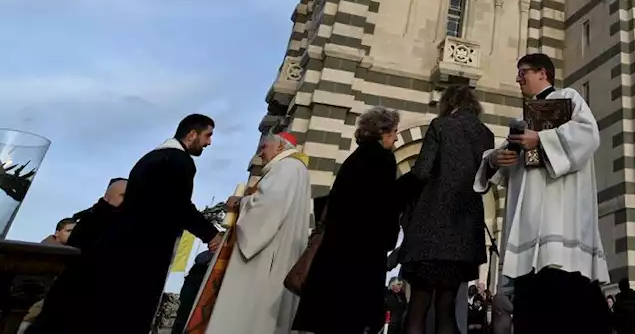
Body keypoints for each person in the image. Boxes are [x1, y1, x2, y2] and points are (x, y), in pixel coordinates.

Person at [474, 53, 610, 334]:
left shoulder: (568, 98)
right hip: (528, 232)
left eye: (522, 72)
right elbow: (505, 164)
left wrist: (542, 139)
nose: (517, 79)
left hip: (560, 227)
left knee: (562, 308)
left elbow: (588, 134)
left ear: (543, 73)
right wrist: (493, 160)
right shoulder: (521, 121)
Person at [87, 114, 221, 333]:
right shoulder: (179, 161)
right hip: (146, 252)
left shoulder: (150, 158)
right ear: (192, 134)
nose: (209, 142)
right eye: (208, 135)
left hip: (122, 246)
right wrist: (211, 235)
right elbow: (178, 205)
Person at [294, 107, 402, 334]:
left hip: (335, 254)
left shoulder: (355, 158)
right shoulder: (383, 159)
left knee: (331, 321)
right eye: (393, 132)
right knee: (352, 321)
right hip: (362, 256)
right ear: (382, 132)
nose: (396, 137)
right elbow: (384, 206)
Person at [399, 84, 493, 334]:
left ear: (448, 102)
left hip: (430, 227)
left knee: (418, 305)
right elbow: (486, 177)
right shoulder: (486, 133)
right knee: (447, 305)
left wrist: (399, 192)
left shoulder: (440, 126)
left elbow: (421, 172)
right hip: (463, 230)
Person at [203, 132, 311, 334]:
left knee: (251, 316)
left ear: (280, 147)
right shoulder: (295, 169)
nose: (260, 154)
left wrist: (239, 202)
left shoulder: (287, 167)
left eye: (264, 148)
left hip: (267, 255)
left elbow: (267, 207)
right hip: (277, 250)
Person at [30, 179, 128, 333]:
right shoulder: (92, 222)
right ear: (107, 197)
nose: (128, 201)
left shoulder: (121, 224)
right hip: (71, 305)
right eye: (123, 195)